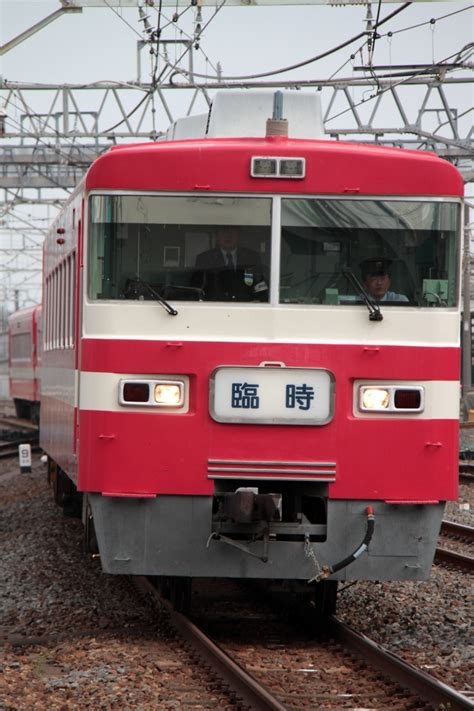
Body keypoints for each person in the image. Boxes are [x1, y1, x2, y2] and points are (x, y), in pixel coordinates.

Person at [193, 226, 268, 301]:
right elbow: (196, 289)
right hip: (215, 306)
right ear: (217, 237)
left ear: (239, 236)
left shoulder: (252, 257)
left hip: (244, 307)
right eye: (223, 232)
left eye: (232, 232)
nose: (228, 236)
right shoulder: (204, 258)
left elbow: (260, 286)